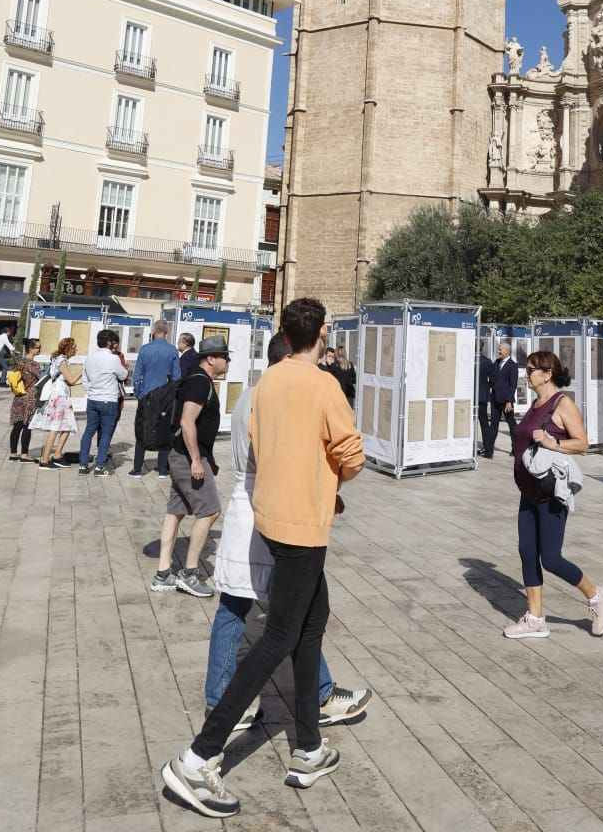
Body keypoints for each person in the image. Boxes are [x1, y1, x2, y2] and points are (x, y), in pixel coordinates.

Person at [161, 296, 364, 818]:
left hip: (270, 514)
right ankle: (198, 756)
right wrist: (331, 476)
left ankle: (309, 747)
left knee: (311, 623)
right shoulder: (324, 384)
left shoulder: (268, 380)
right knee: (278, 636)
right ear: (320, 334)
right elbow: (351, 454)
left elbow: (265, 443)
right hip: (301, 525)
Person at [204, 330, 371, 729]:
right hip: (269, 509)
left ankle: (224, 695)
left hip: (255, 505)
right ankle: (319, 694)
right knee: (290, 611)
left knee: (250, 607)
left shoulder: (256, 394)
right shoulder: (272, 396)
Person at [503, 350, 603, 641]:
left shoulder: (562, 403)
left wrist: (554, 443)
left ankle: (596, 595)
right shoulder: (536, 404)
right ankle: (536, 619)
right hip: (528, 492)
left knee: (550, 558)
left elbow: (583, 444)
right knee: (527, 553)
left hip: (551, 494)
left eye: (530, 370)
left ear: (547, 374)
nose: (526, 375)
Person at [150, 335, 229, 598]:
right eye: (224, 357)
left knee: (176, 511)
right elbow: (187, 422)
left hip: (180, 455)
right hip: (188, 457)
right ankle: (190, 573)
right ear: (211, 359)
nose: (227, 361)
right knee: (209, 512)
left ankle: (163, 573)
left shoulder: (198, 380)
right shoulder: (199, 383)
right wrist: (196, 459)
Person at [130, 320, 181, 479]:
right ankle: (163, 470)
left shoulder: (145, 350)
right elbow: (177, 376)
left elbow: (137, 375)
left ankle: (137, 469)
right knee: (164, 429)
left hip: (146, 395)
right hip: (165, 397)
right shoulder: (172, 351)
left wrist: (138, 393)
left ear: (153, 331)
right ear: (166, 332)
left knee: (142, 427)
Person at [78, 329, 127, 476]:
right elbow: (123, 375)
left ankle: (83, 465)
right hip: (108, 400)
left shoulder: (90, 358)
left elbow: (85, 379)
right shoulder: (113, 359)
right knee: (106, 433)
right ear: (109, 342)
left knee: (88, 431)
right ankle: (100, 467)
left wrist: (91, 391)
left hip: (93, 399)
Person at [31, 338, 82, 468]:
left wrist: (85, 381)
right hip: (60, 398)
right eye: (74, 347)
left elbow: (65, 381)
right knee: (56, 428)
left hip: (57, 396)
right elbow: (70, 380)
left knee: (67, 426)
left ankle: (57, 455)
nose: (76, 349)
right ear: (68, 348)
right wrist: (83, 371)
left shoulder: (57, 359)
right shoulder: (62, 361)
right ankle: (45, 460)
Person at [8, 338, 42, 462]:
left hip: (19, 397)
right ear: (31, 349)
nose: (39, 349)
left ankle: (13, 453)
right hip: (29, 398)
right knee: (27, 426)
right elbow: (41, 379)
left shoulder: (20, 362)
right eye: (38, 347)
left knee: (17, 426)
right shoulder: (34, 365)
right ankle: (24, 454)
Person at [489, 342, 518, 453]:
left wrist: (509, 401)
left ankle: (515, 449)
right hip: (495, 399)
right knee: (493, 424)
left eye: (500, 349)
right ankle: (489, 450)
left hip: (506, 401)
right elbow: (492, 378)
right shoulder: (496, 362)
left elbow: (513, 385)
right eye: (498, 349)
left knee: (511, 424)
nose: (498, 351)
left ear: (507, 351)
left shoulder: (512, 365)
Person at [477, 348, 495, 457]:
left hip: (468, 394)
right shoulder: (487, 361)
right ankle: (488, 450)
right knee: (484, 423)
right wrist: (485, 388)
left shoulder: (467, 360)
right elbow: (493, 379)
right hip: (482, 396)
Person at [328, 344, 356, 410]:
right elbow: (354, 379)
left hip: (337, 395)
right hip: (349, 395)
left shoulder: (334, 366)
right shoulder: (350, 364)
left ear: (336, 354)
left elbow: (329, 380)